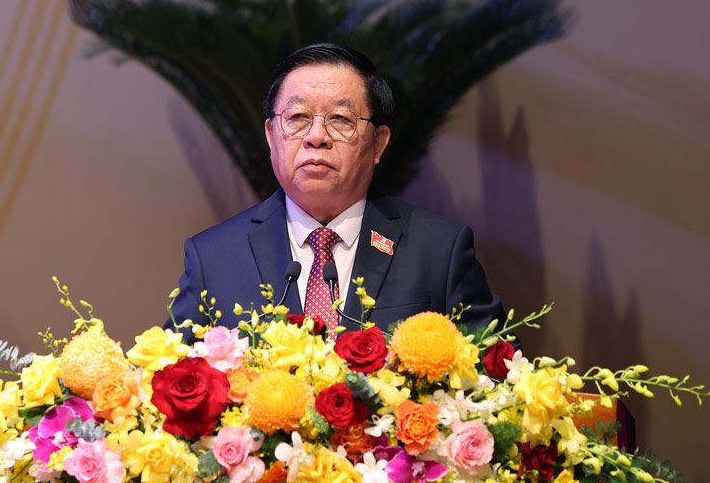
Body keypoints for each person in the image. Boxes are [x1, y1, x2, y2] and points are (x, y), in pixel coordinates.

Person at [167, 43, 505, 336]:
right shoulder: (212, 258)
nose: (317, 136)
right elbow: (168, 384)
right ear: (271, 136)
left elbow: (500, 382)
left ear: (378, 144)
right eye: (298, 116)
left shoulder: (440, 251)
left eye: (341, 119)